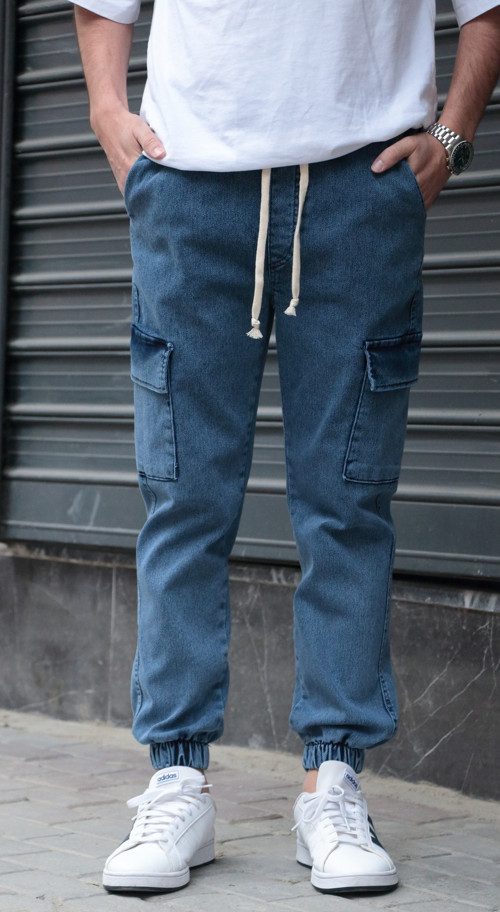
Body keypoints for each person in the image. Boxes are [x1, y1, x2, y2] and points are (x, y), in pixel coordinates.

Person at [71, 0, 500, 896]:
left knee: (347, 502)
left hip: (361, 192)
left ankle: (334, 781)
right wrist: (107, 109)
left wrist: (454, 135)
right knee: (183, 499)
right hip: (190, 186)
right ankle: (176, 780)